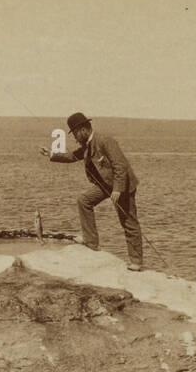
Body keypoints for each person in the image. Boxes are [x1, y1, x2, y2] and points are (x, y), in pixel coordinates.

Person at [40, 112, 143, 270]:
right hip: (105, 185)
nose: (74, 137)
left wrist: (117, 190)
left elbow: (120, 167)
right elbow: (72, 156)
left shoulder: (105, 141)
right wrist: (51, 154)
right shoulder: (87, 144)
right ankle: (91, 243)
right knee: (84, 200)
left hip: (122, 185)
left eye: (75, 133)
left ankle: (136, 262)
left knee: (129, 223)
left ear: (83, 130)